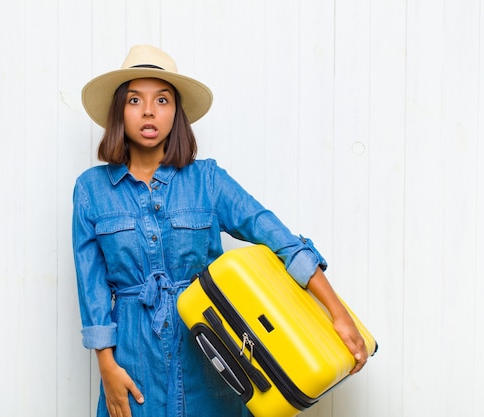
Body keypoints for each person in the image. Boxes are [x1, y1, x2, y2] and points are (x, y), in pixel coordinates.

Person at [72, 45, 368, 417]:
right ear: (120, 111)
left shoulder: (208, 181)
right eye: (135, 100)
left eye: (162, 99)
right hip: (132, 362)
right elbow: (92, 288)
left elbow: (281, 241)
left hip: (210, 352)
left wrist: (337, 313)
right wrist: (107, 367)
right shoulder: (90, 190)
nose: (149, 111)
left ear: (176, 113)